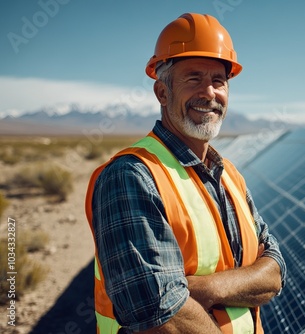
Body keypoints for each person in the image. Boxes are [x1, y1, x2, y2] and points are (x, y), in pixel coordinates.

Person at [85, 13, 286, 334]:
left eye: (218, 80)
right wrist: (233, 285)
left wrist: (205, 289)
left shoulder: (230, 175)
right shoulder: (131, 175)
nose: (209, 92)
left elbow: (274, 272)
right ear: (162, 92)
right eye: (193, 78)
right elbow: (158, 313)